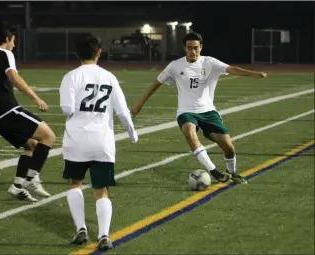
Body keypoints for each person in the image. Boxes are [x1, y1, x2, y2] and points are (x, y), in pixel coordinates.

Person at [132, 31, 267, 185]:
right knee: (189, 132)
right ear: (185, 48)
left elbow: (232, 69)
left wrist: (253, 73)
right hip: (186, 112)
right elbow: (156, 83)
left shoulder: (210, 63)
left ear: (201, 47)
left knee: (229, 148)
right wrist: (139, 105)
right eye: (189, 48)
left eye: (196, 47)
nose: (193, 51)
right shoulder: (175, 66)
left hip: (208, 112)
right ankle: (214, 171)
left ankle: (232, 172)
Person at [59, 33, 138, 250]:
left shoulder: (71, 76)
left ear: (77, 53)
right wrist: (132, 134)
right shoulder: (109, 77)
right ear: (99, 52)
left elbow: (66, 108)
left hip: (76, 140)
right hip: (102, 141)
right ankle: (104, 235)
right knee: (101, 189)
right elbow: (122, 111)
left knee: (75, 183)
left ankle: (81, 229)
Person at [0, 22, 56, 202]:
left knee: (31, 145)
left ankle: (17, 186)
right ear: (6, 39)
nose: (14, 44)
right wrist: (35, 98)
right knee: (49, 136)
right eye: (13, 40)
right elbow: (14, 77)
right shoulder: (5, 53)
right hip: (7, 110)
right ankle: (31, 179)